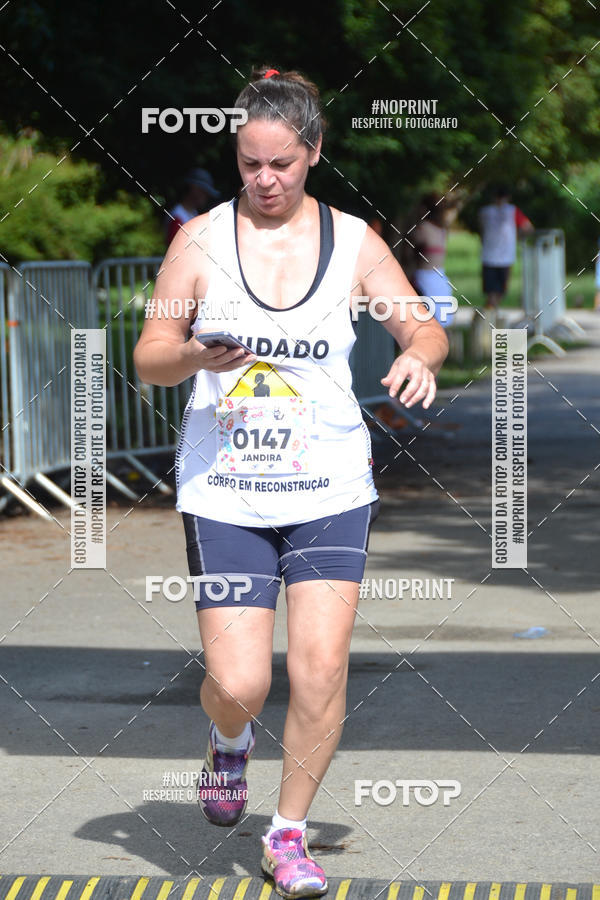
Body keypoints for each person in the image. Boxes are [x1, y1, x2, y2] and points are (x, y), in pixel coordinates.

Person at [134, 66, 448, 898]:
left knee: (319, 668)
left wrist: (418, 354)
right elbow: (149, 359)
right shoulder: (199, 241)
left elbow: (420, 325)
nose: (264, 180)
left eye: (280, 163)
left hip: (331, 488)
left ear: (312, 152)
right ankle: (226, 743)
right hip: (227, 492)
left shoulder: (353, 241)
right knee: (241, 683)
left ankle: (287, 835)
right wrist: (195, 354)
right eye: (249, 164)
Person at [479, 184, 534, 309]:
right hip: (506, 256)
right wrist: (516, 237)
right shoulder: (512, 211)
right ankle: (490, 313)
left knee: (491, 291)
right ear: (508, 197)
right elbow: (528, 227)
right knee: (501, 291)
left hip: (488, 255)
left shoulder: (484, 212)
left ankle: (489, 313)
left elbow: (482, 231)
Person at [412, 193, 455, 327]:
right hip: (440, 278)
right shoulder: (442, 231)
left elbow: (409, 252)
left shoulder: (422, 229)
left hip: (424, 278)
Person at [164, 167, 220, 245]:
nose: (206, 196)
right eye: (204, 191)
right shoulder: (177, 216)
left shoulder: (193, 213)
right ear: (194, 189)